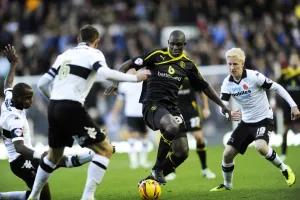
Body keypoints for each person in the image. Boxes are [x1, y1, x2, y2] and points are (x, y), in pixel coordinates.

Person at [27, 25, 150, 200]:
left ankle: (34, 196)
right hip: (72, 107)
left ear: (79, 39)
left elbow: (41, 84)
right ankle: (88, 196)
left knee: (53, 156)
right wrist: (135, 78)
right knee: (105, 149)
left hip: (54, 106)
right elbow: (105, 73)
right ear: (97, 41)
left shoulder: (65, 55)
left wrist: (55, 100)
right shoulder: (94, 54)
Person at [105, 30, 231, 185]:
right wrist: (116, 82)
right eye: (172, 44)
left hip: (172, 108)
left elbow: (205, 87)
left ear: (184, 45)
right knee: (172, 126)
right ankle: (157, 168)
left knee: (182, 152)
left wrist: (222, 105)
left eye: (179, 44)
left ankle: (149, 181)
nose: (175, 47)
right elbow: (127, 64)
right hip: (152, 105)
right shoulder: (156, 55)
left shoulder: (188, 65)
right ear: (168, 43)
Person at [0, 45, 94, 200]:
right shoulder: (14, 120)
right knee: (46, 193)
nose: (31, 101)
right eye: (28, 98)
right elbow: (19, 146)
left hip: (25, 158)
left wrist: (13, 64)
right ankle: (92, 154)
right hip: (20, 162)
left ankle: (92, 154)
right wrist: (38, 155)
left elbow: (8, 84)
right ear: (18, 99)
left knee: (54, 163)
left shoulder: (10, 99)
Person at [210, 48, 299, 191]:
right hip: (246, 122)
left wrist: (293, 105)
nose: (232, 68)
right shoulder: (227, 83)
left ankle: (284, 168)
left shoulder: (254, 76)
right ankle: (227, 186)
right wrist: (227, 113)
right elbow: (223, 105)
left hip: (263, 119)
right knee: (227, 154)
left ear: (242, 63)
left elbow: (277, 88)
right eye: (229, 64)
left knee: (261, 147)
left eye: (235, 64)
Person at [165, 77, 216, 181]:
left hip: (191, 111)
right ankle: (171, 170)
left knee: (199, 137)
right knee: (174, 142)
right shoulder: (168, 78)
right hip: (175, 112)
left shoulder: (190, 77)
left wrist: (206, 108)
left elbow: (202, 91)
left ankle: (205, 168)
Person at [110, 69, 151, 169]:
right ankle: (134, 162)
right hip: (131, 114)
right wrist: (114, 114)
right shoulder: (125, 85)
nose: (132, 71)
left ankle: (143, 160)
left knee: (144, 136)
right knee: (132, 137)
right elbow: (120, 101)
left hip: (143, 113)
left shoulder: (144, 81)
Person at [277, 54, 300, 161]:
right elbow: (277, 87)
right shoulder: (285, 73)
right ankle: (284, 153)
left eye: (296, 59)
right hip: (287, 106)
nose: (294, 60)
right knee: (285, 129)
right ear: (290, 61)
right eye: (292, 59)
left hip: (299, 104)